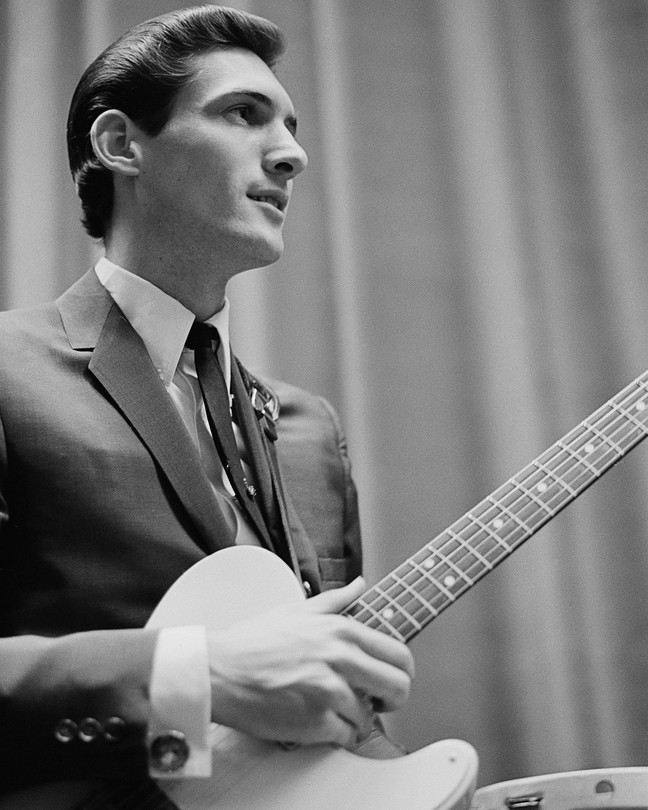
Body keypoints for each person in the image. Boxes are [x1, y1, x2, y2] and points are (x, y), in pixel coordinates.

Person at [0, 4, 414, 802]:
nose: (291, 154)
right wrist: (199, 678)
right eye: (243, 114)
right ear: (121, 144)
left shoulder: (309, 432)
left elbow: (325, 716)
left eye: (290, 125)